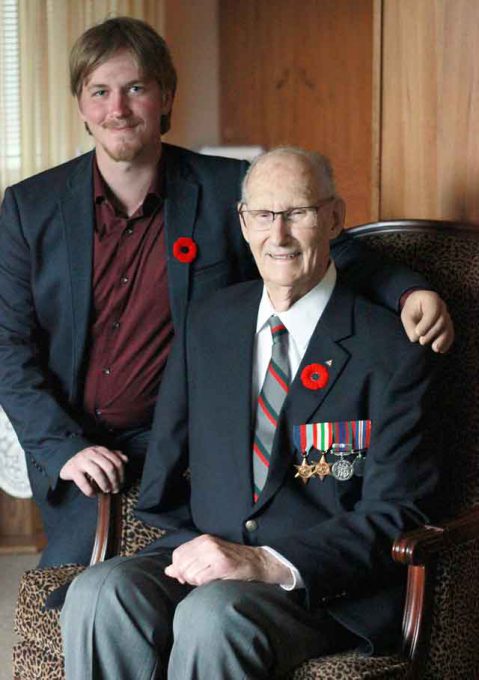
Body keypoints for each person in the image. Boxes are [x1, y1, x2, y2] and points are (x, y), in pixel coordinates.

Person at [0, 17, 451, 569]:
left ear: (165, 97)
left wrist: (408, 293)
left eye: (136, 88)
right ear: (81, 105)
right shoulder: (29, 208)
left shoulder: (225, 188)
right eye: (100, 91)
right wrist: (61, 448)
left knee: (178, 595)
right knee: (73, 605)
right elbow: (7, 345)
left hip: (200, 454)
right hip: (80, 455)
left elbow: (327, 248)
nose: (117, 108)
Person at [61, 148, 441, 679]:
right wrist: (187, 539)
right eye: (263, 215)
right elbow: (168, 458)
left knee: (213, 616)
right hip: (211, 548)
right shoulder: (209, 322)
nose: (278, 235)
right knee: (100, 591)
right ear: (243, 223)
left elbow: (399, 512)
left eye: (297, 213)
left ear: (334, 218)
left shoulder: (391, 349)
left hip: (319, 584)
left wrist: (264, 563)